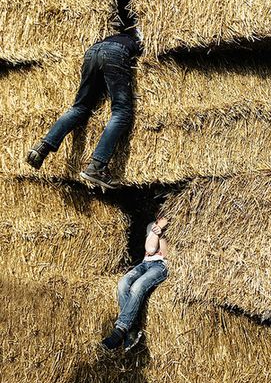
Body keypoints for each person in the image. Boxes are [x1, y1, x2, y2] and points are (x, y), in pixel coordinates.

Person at [26, 31, 142, 189]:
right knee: (121, 113)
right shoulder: (140, 36)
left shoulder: (112, 35)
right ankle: (97, 167)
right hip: (116, 53)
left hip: (92, 51)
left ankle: (42, 147)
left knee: (80, 108)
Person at [101, 216, 169, 352]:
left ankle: (120, 330)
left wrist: (161, 233)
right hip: (145, 263)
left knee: (138, 286)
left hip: (160, 266)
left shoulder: (175, 226)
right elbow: (150, 249)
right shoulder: (151, 225)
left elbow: (167, 254)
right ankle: (132, 330)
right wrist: (155, 231)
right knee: (123, 283)